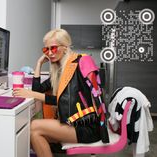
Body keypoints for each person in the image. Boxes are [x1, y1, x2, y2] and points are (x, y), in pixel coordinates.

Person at [13, 29, 109, 157]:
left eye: (53, 48)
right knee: (33, 133)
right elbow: (37, 90)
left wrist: (33, 95)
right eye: (46, 50)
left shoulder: (79, 62)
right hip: (73, 124)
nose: (50, 53)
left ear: (65, 47)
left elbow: (67, 100)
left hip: (87, 126)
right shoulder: (58, 70)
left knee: (33, 126)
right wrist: (39, 64)